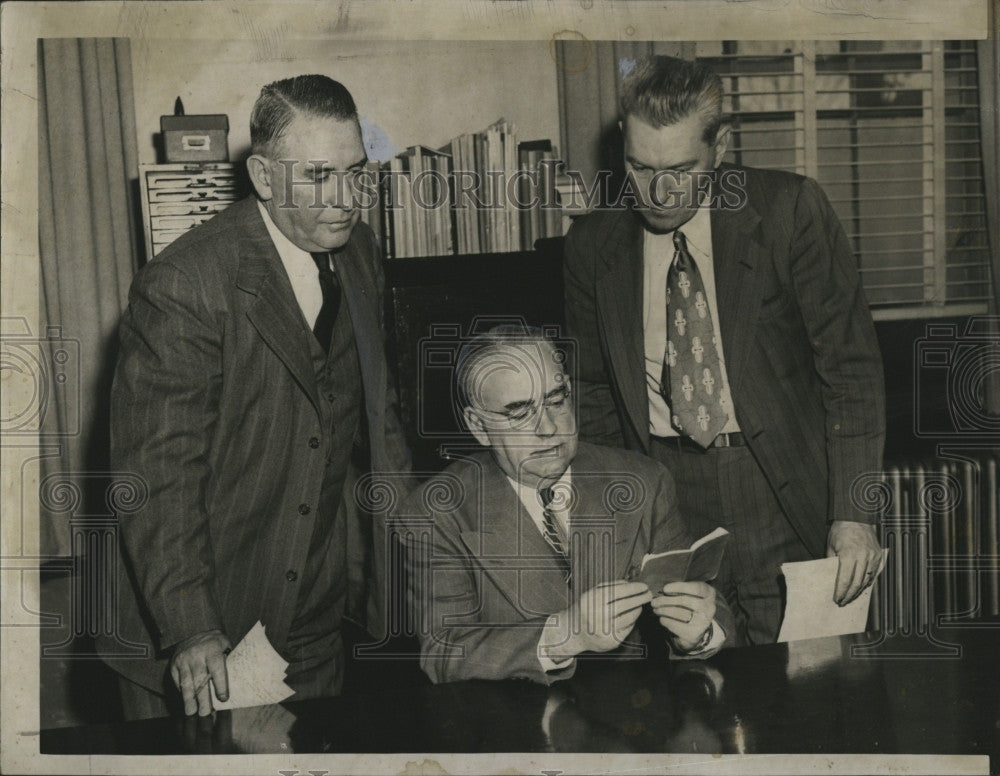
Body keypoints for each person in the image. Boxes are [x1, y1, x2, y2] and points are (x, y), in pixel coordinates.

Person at [100, 75, 411, 718]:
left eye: (356, 173)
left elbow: (374, 417)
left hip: (313, 615)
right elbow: (157, 472)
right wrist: (190, 626)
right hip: (199, 627)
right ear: (265, 177)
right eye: (319, 175)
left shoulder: (358, 256)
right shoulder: (184, 285)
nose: (345, 199)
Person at [563, 55, 886, 645]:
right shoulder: (591, 245)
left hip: (783, 489)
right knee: (697, 698)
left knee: (814, 693)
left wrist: (855, 513)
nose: (657, 193)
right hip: (665, 498)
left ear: (720, 147)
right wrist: (619, 520)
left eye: (681, 169)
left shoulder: (789, 212)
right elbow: (593, 397)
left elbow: (852, 373)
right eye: (639, 167)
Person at [401, 327, 736, 684]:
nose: (548, 428)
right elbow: (443, 655)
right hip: (515, 724)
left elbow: (715, 613)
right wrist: (566, 633)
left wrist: (698, 635)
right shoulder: (437, 512)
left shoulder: (643, 480)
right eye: (519, 413)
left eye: (556, 400)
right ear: (479, 427)